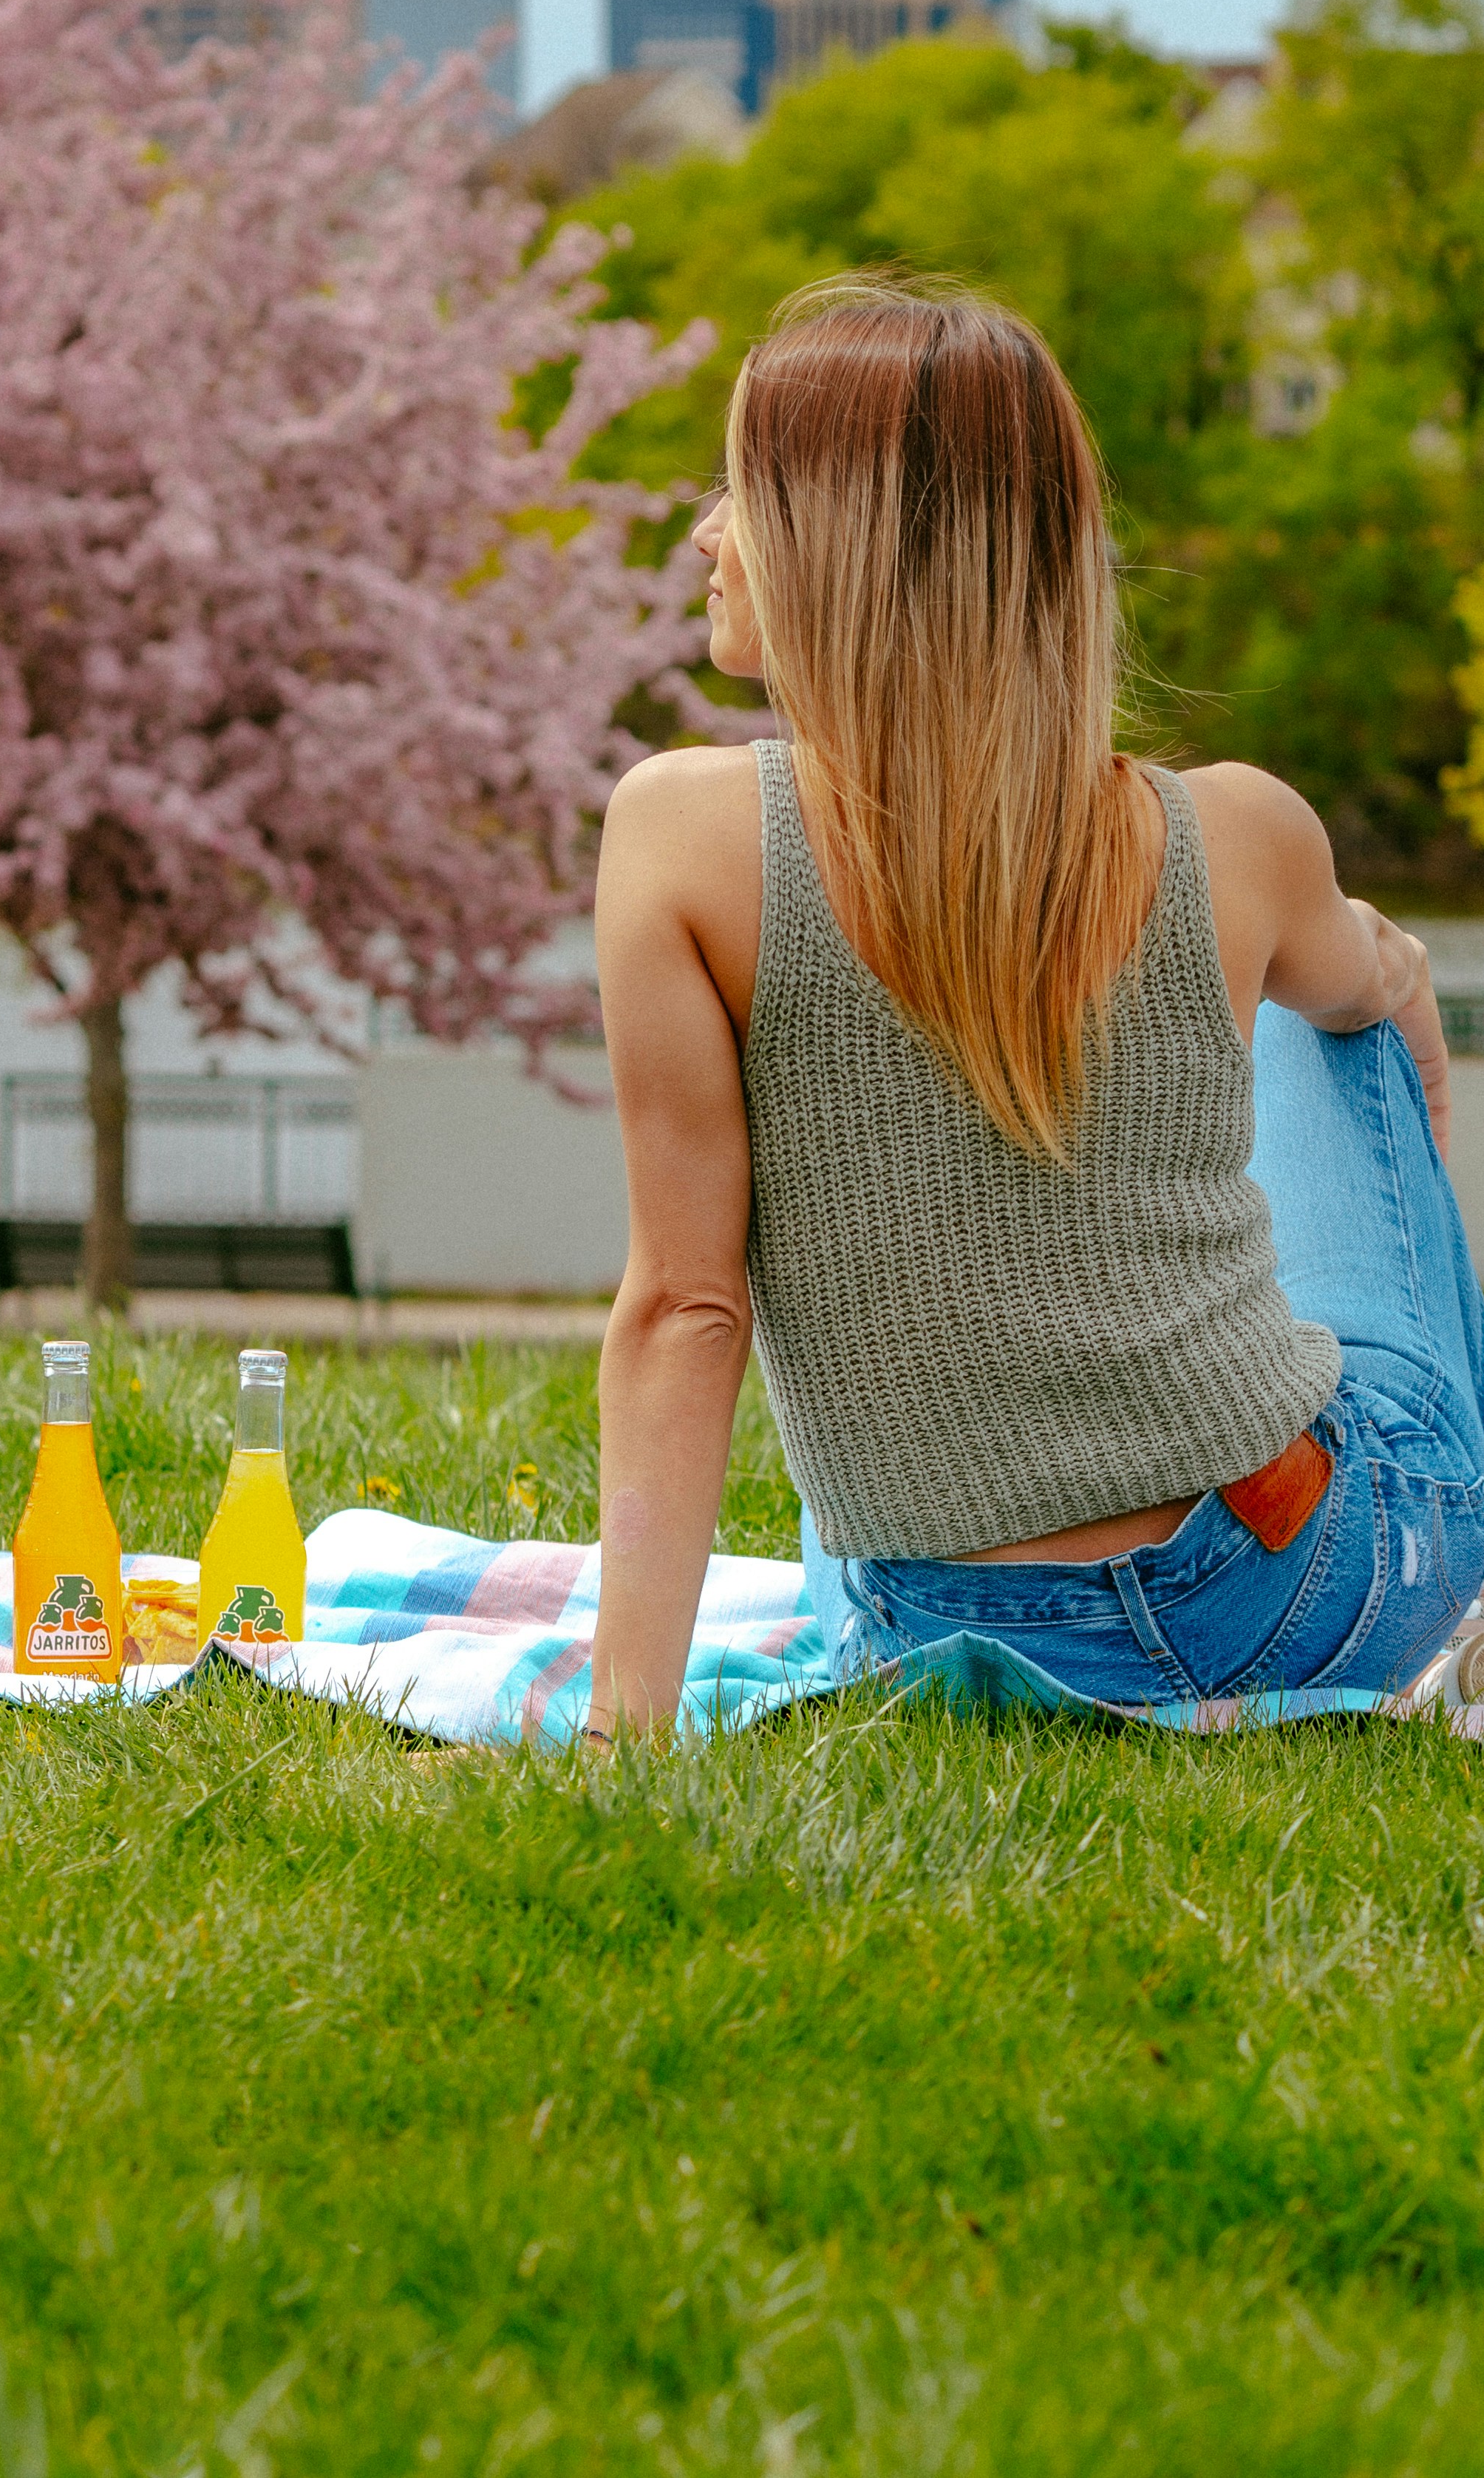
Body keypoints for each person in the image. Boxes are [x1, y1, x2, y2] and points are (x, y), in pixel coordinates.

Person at [585, 276, 1483, 1740]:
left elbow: (686, 1306)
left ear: (838, 540)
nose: (702, 534)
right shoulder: (1239, 835)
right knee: (1347, 1005)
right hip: (1289, 1583)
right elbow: (1370, 1007)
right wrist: (1399, 1025)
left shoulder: (677, 841)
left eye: (737, 489)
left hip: (934, 1622)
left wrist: (617, 1735)